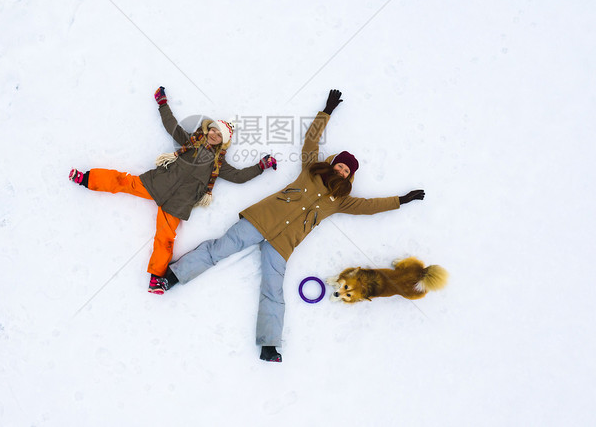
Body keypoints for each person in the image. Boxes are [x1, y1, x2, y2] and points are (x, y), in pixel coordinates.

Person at [152, 89, 425, 362]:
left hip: (283, 244)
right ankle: (172, 277)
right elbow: (311, 140)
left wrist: (401, 200)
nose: (341, 171)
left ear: (349, 177)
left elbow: (371, 207)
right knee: (219, 250)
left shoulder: (342, 201)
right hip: (261, 220)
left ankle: (269, 345)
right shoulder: (311, 168)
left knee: (272, 288)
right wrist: (327, 111)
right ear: (332, 164)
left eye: (346, 172)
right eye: (340, 166)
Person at [69, 86, 277, 293]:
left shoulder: (218, 164)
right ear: (208, 129)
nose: (214, 134)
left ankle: (156, 279)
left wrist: (261, 166)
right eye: (213, 129)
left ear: (223, 142)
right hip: (157, 183)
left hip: (178, 205)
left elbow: (239, 177)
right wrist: (162, 104)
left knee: (165, 239)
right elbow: (171, 126)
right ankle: (86, 178)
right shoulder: (191, 142)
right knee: (122, 181)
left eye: (219, 135)